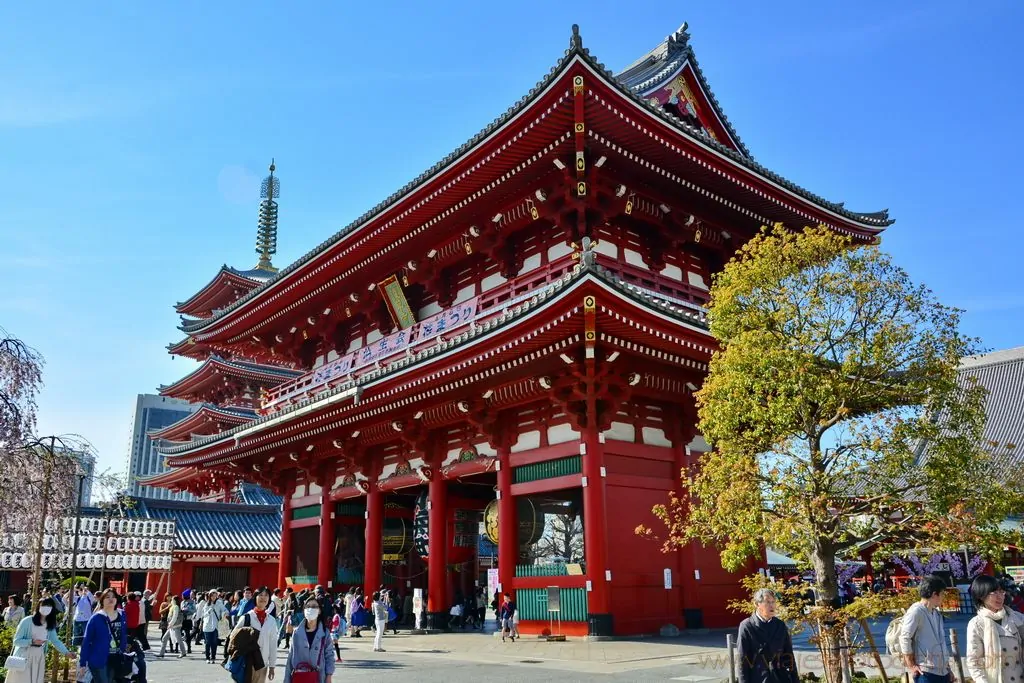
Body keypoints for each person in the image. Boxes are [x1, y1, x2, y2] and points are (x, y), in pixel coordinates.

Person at [966, 574, 1024, 683]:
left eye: (1001, 591)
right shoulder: (977, 624)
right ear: (981, 596)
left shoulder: (1017, 617)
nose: (1000, 596)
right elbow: (974, 661)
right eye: (994, 592)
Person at [736, 588, 798, 683]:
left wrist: (795, 680)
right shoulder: (747, 626)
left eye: (773, 602)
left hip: (780, 678)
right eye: (768, 602)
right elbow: (742, 660)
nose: (772, 605)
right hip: (758, 678)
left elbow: (789, 656)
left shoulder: (780, 625)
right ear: (757, 604)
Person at [899, 574, 952, 683]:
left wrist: (948, 669)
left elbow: (941, 642)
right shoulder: (916, 611)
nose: (943, 597)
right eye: (942, 594)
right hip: (925, 672)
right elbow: (904, 638)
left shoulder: (936, 613)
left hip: (943, 671)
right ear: (934, 594)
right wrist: (911, 665)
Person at [7, 597, 74, 683]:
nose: (46, 608)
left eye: (49, 606)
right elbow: (16, 641)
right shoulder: (27, 621)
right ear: (38, 606)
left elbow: (55, 641)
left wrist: (66, 652)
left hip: (39, 657)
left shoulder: (49, 625)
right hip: (24, 657)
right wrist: (31, 641)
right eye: (44, 605)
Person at [230, 586, 278, 682]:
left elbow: (273, 645)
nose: (263, 597)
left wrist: (272, 666)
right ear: (255, 597)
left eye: (266, 595)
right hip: (246, 663)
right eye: (260, 595)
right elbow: (233, 637)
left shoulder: (271, 620)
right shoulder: (247, 617)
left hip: (262, 664)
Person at [79, 589, 128, 683]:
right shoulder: (96, 617)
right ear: (102, 600)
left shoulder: (122, 614)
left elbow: (123, 634)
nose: (111, 599)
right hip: (98, 658)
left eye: (113, 597)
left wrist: (123, 648)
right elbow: (87, 640)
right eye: (107, 597)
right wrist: (83, 663)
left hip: (116, 657)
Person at [284, 596, 336, 683]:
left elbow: (329, 655)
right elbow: (290, 657)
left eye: (314, 606)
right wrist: (287, 680)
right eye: (308, 606)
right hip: (299, 676)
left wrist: (329, 675)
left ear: (319, 611)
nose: (311, 609)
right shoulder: (296, 633)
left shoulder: (325, 632)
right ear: (304, 610)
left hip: (318, 676)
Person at [199, 589, 227, 663]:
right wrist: (209, 611)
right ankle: (207, 657)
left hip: (216, 626)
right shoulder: (206, 604)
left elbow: (225, 610)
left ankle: (213, 657)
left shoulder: (219, 603)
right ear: (210, 596)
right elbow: (203, 615)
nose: (214, 597)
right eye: (212, 596)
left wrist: (224, 613)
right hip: (207, 626)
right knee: (208, 642)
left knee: (214, 642)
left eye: (215, 595)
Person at [179, 590, 195, 654]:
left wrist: (187, 610)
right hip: (181, 620)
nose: (182, 596)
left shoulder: (192, 602)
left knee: (187, 634)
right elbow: (181, 609)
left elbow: (194, 610)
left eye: (182, 595)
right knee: (179, 633)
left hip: (188, 619)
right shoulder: (182, 602)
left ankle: (189, 648)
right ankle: (177, 648)